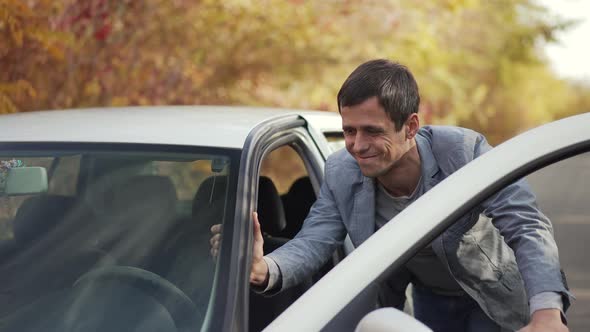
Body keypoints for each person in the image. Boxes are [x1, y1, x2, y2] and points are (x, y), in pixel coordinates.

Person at [210, 59, 573, 331]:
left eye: (371, 131)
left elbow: (527, 228)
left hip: (497, 299)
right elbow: (313, 241)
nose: (356, 145)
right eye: (349, 130)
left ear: (411, 126)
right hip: (428, 302)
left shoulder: (463, 152)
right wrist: (264, 268)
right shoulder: (341, 172)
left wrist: (546, 312)